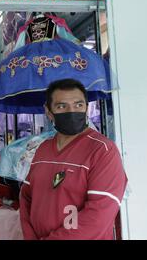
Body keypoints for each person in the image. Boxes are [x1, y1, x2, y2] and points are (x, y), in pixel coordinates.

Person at [19, 79, 128, 240]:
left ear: (86, 108)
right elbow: (26, 197)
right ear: (49, 112)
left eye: (78, 105)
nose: (72, 111)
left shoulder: (103, 150)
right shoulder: (43, 149)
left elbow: (98, 216)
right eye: (62, 106)